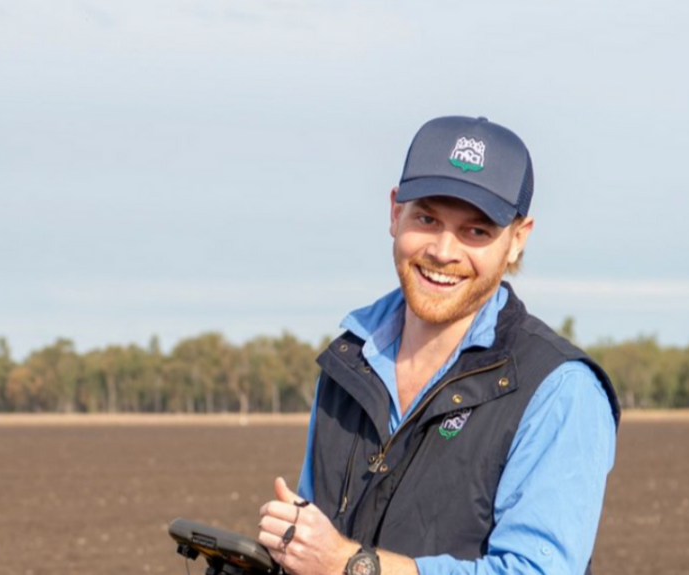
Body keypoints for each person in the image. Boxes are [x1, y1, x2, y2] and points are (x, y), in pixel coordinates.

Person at [256, 116, 620, 575]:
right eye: (427, 218)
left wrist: (351, 566)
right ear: (394, 212)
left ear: (517, 240)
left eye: (477, 231)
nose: (444, 252)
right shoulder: (348, 362)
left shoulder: (559, 389)